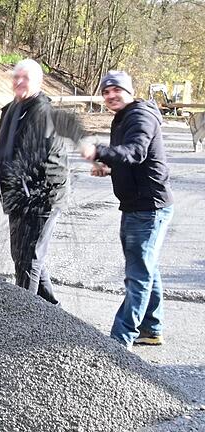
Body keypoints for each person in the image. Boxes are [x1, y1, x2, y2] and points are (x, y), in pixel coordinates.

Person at [80, 70, 174, 349]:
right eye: (106, 92)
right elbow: (132, 161)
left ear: (129, 91)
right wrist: (109, 168)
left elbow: (135, 152)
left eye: (116, 90)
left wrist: (97, 151)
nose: (110, 96)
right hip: (137, 205)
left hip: (149, 209)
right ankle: (152, 328)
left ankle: (120, 342)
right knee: (147, 268)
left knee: (138, 274)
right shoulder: (123, 118)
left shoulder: (140, 116)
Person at [0, 58, 68, 305]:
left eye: (25, 78)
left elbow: (35, 159)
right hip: (18, 194)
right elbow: (4, 151)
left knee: (28, 259)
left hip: (42, 195)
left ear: (39, 82)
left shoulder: (43, 114)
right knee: (23, 255)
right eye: (15, 77)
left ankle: (23, 316)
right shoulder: (10, 111)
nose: (19, 82)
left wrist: (5, 173)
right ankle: (52, 311)